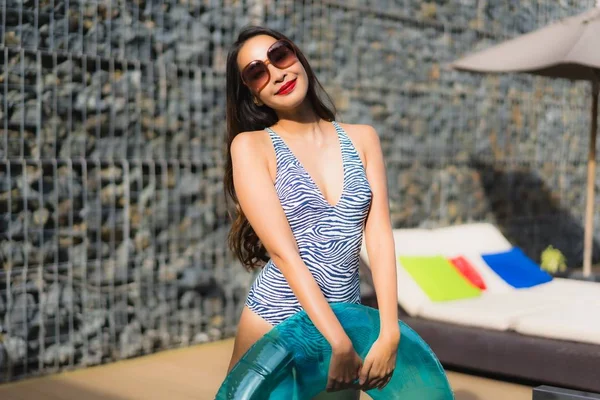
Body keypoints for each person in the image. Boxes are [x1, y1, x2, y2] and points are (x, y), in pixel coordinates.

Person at [223, 26, 399, 399]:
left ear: (298, 57)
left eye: (280, 55)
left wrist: (389, 329)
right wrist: (337, 341)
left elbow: (379, 235)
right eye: (257, 72)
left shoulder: (363, 138)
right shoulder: (252, 146)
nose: (276, 72)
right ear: (253, 95)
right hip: (277, 321)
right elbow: (285, 256)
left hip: (347, 315)